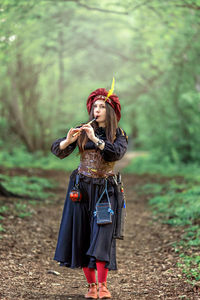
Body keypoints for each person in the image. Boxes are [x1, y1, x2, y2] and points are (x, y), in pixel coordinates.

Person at [51, 87, 128, 299]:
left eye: (102, 107)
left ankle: (103, 286)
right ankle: (92, 286)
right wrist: (68, 141)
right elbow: (57, 150)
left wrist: (95, 138)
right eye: (95, 106)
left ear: (110, 111)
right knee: (83, 235)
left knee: (102, 236)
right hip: (81, 189)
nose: (97, 110)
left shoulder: (118, 134)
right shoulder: (82, 130)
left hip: (105, 191)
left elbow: (116, 153)